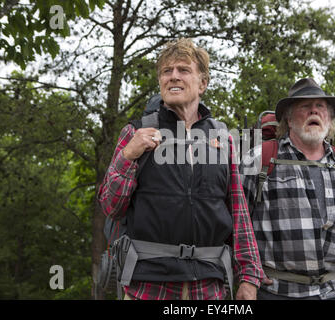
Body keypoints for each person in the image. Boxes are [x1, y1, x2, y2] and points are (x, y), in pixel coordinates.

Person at [97, 38, 264, 300]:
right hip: (147, 285)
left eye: (183, 70)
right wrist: (128, 155)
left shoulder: (223, 138)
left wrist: (249, 276)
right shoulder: (136, 132)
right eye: (166, 71)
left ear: (203, 84)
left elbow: (239, 213)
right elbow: (110, 206)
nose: (173, 76)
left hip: (209, 286)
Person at [241, 78, 335, 300]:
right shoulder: (260, 159)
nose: (314, 111)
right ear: (288, 116)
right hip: (277, 293)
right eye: (305, 106)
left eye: (321, 106)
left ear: (329, 117)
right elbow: (236, 226)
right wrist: (245, 276)